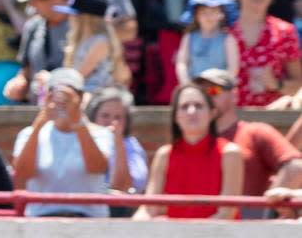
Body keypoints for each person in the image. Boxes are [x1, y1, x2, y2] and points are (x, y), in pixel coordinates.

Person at [12, 67, 115, 218]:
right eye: (54, 93)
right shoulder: (29, 133)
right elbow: (22, 174)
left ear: (81, 98)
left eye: (72, 94)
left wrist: (78, 122)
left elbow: (97, 167)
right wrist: (39, 124)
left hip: (88, 221)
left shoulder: (101, 134)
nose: (63, 100)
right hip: (42, 220)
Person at [193, 69, 302, 207]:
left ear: (234, 95)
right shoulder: (191, 138)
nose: (206, 97)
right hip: (197, 223)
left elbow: (296, 168)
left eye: (213, 91)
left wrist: (267, 213)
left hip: (246, 224)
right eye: (201, 92)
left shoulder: (254, 132)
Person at [134, 83, 242, 220]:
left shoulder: (229, 153)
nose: (192, 111)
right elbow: (149, 207)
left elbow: (227, 213)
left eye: (199, 106)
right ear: (175, 117)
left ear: (212, 113)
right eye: (184, 107)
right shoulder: (164, 155)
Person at [229, 0, 302, 107]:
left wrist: (276, 84)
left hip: (273, 119)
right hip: (229, 121)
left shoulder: (284, 32)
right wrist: (222, 88)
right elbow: (207, 89)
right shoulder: (224, 32)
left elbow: (299, 86)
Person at [3, 0, 74, 103]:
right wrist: (19, 84)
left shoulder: (83, 28)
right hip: (38, 113)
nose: (31, 6)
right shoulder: (32, 27)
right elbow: (25, 73)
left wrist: (55, 82)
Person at [57, 0, 131, 93]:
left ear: (85, 18)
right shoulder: (79, 39)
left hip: (95, 96)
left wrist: (53, 80)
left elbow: (80, 75)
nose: (69, 17)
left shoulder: (101, 41)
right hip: (78, 93)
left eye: (74, 14)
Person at [87, 87, 149, 194]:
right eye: (105, 116)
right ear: (94, 116)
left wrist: (118, 142)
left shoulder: (131, 145)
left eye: (118, 117)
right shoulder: (83, 140)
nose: (112, 122)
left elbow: (128, 186)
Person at [175, 0, 240, 85]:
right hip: (195, 89)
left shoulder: (228, 39)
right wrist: (186, 84)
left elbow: (233, 68)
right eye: (204, 11)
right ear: (196, 15)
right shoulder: (189, 37)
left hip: (220, 90)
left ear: (222, 14)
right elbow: (182, 63)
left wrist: (220, 87)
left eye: (213, 11)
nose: (208, 16)